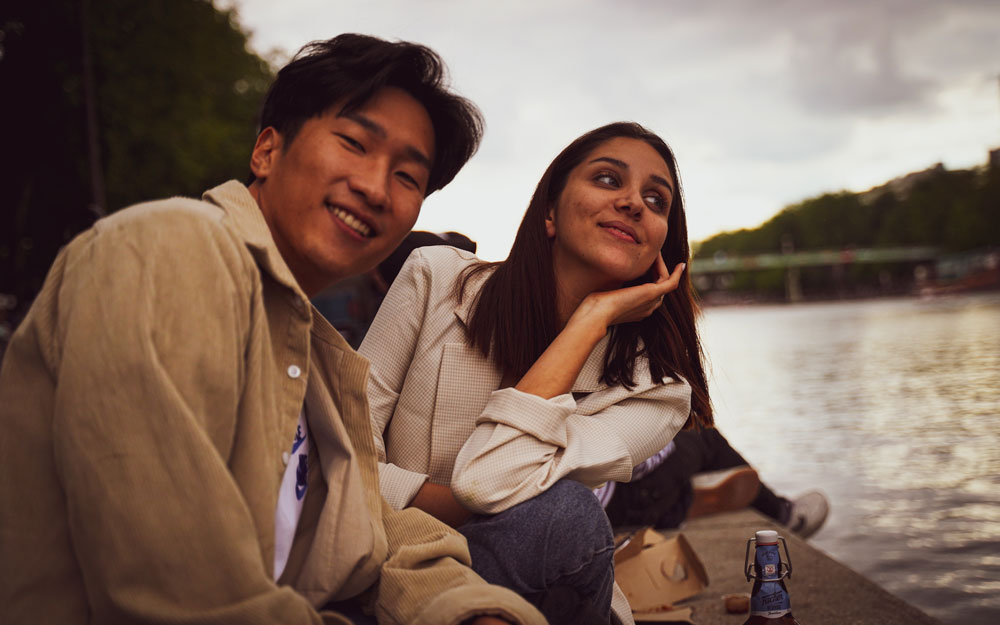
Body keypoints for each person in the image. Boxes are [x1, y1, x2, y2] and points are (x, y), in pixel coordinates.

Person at [0, 34, 545, 625]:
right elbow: (182, 588)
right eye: (354, 143)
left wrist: (472, 611)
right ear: (266, 151)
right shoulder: (171, 248)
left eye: (408, 177)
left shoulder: (317, 352)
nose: (375, 187)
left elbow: (377, 529)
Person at [360, 122, 714, 624]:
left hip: (531, 574)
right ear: (549, 212)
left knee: (565, 513)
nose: (635, 203)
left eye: (657, 201)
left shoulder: (658, 390)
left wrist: (590, 322)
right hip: (390, 558)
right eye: (610, 180)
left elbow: (487, 483)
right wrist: (434, 505)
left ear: (661, 248)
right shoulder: (434, 278)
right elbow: (342, 454)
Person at [600, 428, 830, 538]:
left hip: (596, 505)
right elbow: (633, 461)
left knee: (684, 441)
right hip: (618, 502)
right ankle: (783, 514)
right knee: (705, 437)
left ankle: (681, 497)